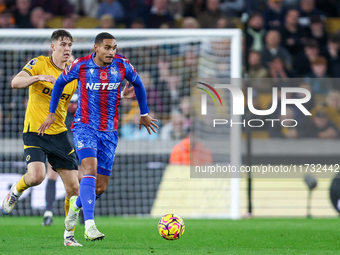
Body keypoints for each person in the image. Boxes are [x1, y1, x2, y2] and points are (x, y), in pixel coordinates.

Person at [38, 32, 159, 241]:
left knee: (100, 187)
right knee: (89, 168)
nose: (111, 52)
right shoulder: (81, 65)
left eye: (114, 48)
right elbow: (59, 83)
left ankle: (76, 206)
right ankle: (90, 226)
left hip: (109, 132)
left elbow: (138, 84)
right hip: (84, 127)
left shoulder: (122, 66)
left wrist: (144, 113)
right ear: (96, 48)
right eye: (107, 48)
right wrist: (51, 113)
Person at [1, 30, 81, 246]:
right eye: (63, 44)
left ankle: (69, 236)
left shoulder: (73, 74)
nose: (67, 49)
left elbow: (92, 94)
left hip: (59, 133)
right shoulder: (39, 63)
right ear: (53, 47)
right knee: (37, 176)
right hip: (35, 131)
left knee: (74, 188)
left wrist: (120, 95)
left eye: (70, 45)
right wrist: (38, 77)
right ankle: (15, 191)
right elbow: (15, 83)